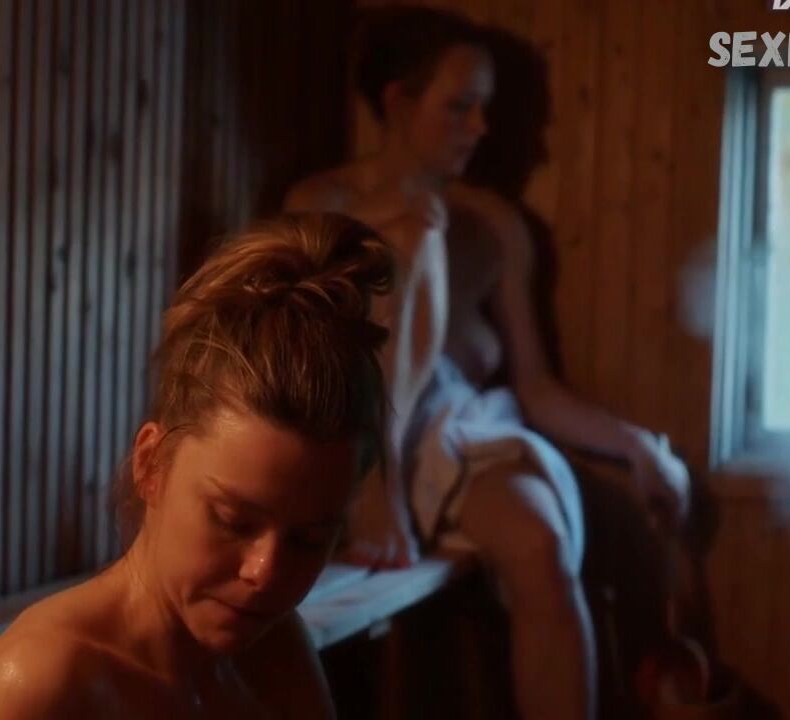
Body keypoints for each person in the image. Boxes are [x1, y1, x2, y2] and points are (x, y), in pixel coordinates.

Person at [284, 7, 691, 720]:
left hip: (459, 434)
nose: (480, 128)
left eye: (486, 109)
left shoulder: (495, 224)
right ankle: (375, 486)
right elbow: (299, 346)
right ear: (398, 102)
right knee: (411, 235)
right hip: (349, 430)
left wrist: (640, 446)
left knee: (541, 542)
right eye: (460, 106)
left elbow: (535, 387)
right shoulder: (322, 205)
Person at [0, 214, 394, 719]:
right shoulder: (39, 684)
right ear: (151, 464)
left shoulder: (274, 649)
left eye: (309, 540)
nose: (265, 573)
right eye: (233, 520)